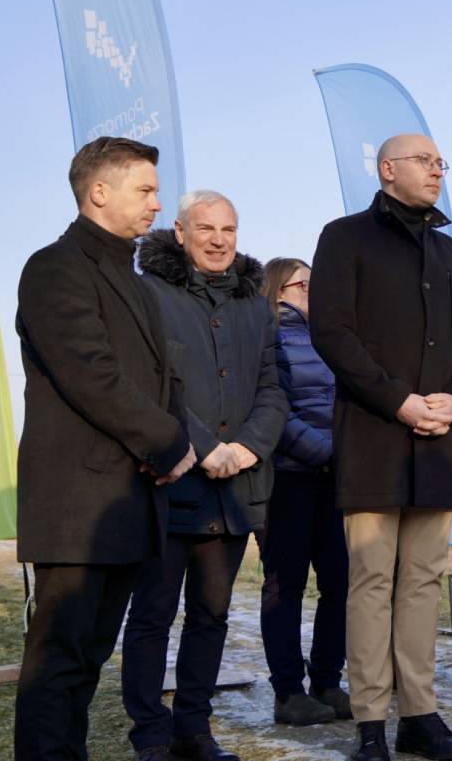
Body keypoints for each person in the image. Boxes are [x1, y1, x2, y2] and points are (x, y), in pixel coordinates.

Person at [13, 137, 196, 761]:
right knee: (57, 667)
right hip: (76, 506)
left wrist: (170, 443)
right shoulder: (54, 267)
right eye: (144, 190)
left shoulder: (136, 281)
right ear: (99, 192)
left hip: (126, 501)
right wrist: (171, 442)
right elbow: (90, 374)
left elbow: (160, 381)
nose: (156, 203)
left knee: (86, 665)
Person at [310, 133, 452, 761]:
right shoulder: (344, 237)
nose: (438, 170)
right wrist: (398, 400)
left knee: (421, 583)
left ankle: (420, 714)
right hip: (374, 437)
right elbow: (332, 331)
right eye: (425, 161)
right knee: (373, 580)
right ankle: (370, 724)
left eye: (443, 161)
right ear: (388, 170)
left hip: (438, 441)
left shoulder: (449, 249)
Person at [123, 190, 287, 761]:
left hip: (235, 488)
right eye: (207, 228)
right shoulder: (149, 293)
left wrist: (246, 447)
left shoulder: (253, 303)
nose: (219, 239)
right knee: (153, 614)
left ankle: (194, 729)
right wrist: (203, 445)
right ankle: (150, 734)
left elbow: (274, 384)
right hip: (169, 482)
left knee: (212, 613)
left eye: (230, 229)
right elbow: (146, 381)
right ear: (180, 231)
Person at [257, 257, 351, 726]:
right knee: (285, 585)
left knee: (341, 582)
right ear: (278, 290)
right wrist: (323, 451)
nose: (315, 291)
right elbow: (273, 407)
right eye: (305, 285)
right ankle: (288, 692)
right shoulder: (267, 336)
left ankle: (328, 681)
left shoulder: (330, 336)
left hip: (335, 478)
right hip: (287, 478)